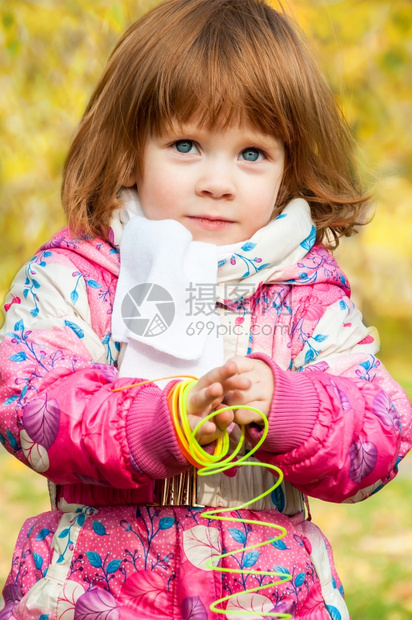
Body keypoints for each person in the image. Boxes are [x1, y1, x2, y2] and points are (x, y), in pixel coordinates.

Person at [0, 0, 410, 618]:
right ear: (129, 145)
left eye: (252, 154)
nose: (217, 181)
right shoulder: (78, 276)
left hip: (270, 595)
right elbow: (29, 402)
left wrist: (289, 409)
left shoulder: (305, 294)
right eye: (186, 144)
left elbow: (379, 435)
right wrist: (161, 420)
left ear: (288, 166)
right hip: (95, 592)